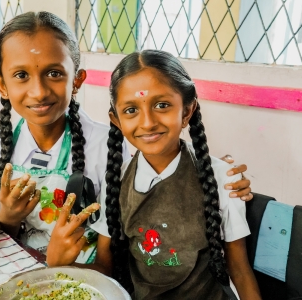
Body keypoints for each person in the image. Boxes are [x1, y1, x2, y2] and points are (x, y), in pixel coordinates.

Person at [0, 11, 252, 273]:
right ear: (1, 84)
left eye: (54, 73)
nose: (39, 91)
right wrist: (8, 217)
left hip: (88, 274)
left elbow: (148, 190)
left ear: (77, 81)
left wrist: (213, 171)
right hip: (18, 267)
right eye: (21, 75)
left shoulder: (107, 145)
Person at [90, 50, 261, 299]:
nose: (147, 122)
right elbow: (104, 267)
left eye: (162, 105)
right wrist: (59, 262)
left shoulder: (223, 178)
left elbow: (239, 270)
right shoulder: (116, 180)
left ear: (187, 111)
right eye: (131, 110)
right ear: (116, 120)